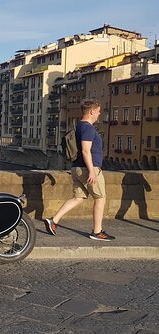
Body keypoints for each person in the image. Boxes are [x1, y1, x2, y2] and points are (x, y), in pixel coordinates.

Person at [44, 99, 114, 241]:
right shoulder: (88, 128)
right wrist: (92, 171)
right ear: (92, 111)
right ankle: (97, 232)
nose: (99, 114)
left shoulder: (79, 126)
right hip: (88, 168)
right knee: (100, 198)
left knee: (78, 197)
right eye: (98, 111)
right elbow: (85, 150)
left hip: (76, 167)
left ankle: (54, 220)